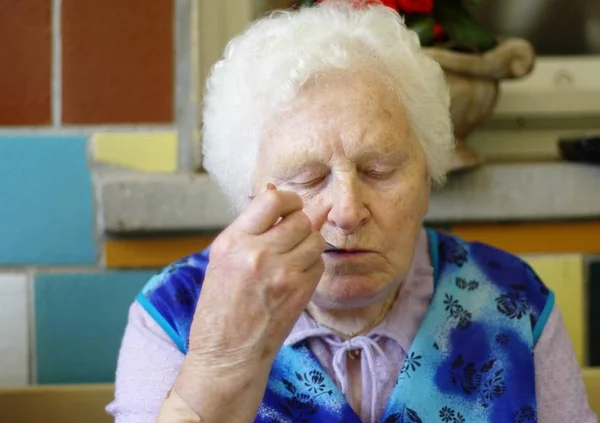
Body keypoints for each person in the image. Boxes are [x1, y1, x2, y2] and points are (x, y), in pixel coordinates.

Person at [107, 2, 597, 422]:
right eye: (308, 176)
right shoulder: (174, 315)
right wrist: (218, 366)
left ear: (428, 179)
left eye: (380, 169)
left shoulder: (512, 302)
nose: (346, 210)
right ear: (248, 195)